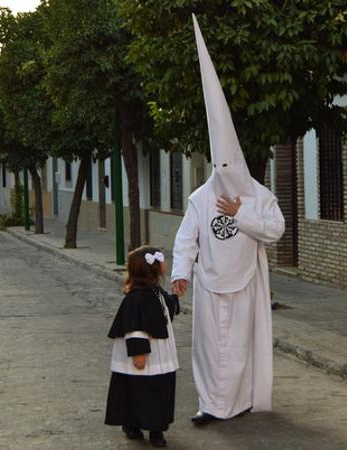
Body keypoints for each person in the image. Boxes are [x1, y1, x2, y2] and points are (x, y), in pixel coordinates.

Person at [171, 15, 285, 425]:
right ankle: (211, 406)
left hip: (246, 283)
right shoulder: (201, 198)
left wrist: (243, 212)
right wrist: (180, 273)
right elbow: (187, 238)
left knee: (239, 346)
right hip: (210, 283)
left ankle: (239, 402)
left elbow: (274, 230)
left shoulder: (258, 194)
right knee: (209, 348)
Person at [105, 246, 180, 447]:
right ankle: (132, 425)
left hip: (160, 353)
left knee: (159, 391)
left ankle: (157, 429)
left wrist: (174, 299)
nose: (166, 263)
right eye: (162, 260)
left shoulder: (155, 291)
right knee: (136, 391)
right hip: (144, 354)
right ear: (152, 268)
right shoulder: (135, 298)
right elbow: (133, 326)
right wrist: (139, 352)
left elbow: (164, 311)